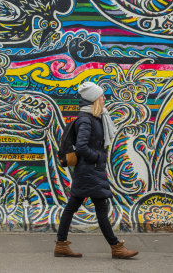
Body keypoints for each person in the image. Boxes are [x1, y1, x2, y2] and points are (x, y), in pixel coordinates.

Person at [54, 81, 139, 259]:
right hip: (89, 171)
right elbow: (82, 146)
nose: (104, 98)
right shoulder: (86, 119)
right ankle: (116, 247)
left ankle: (61, 244)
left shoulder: (95, 118)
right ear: (94, 99)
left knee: (72, 206)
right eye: (101, 95)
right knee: (101, 208)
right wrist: (98, 157)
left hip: (89, 171)